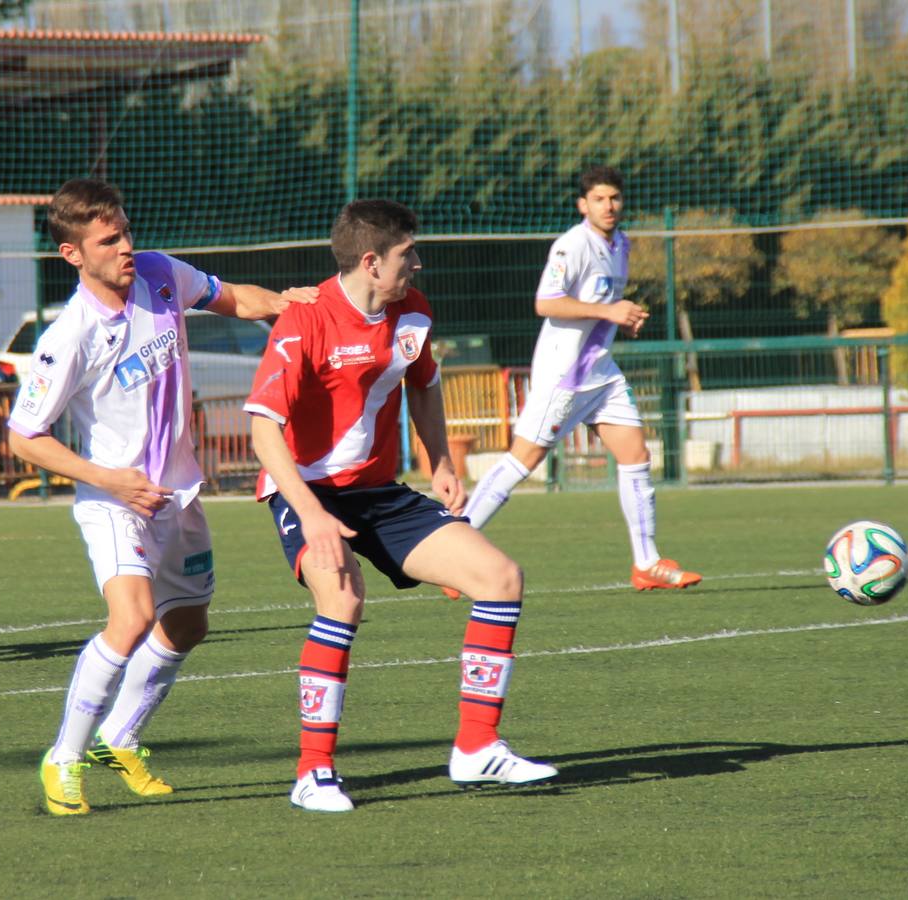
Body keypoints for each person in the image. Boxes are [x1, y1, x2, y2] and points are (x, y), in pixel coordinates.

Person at [8, 178, 316, 817]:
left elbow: (235, 299)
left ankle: (119, 736)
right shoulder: (69, 335)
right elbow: (24, 438)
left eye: (125, 230)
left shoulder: (160, 273)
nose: (127, 245)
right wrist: (108, 477)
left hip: (178, 494)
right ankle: (63, 758)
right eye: (109, 239)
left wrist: (293, 305)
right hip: (115, 500)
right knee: (132, 619)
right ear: (74, 255)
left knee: (188, 624)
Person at [246, 199, 557, 813]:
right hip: (305, 490)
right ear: (371, 262)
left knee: (500, 578)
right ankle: (313, 773)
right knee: (343, 598)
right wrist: (310, 513)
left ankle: (477, 747)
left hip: (380, 494)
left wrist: (439, 461)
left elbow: (425, 385)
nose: (417, 262)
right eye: (406, 254)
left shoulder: (411, 310)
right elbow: (262, 428)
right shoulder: (305, 320)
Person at [461, 165, 701, 592]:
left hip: (601, 372)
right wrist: (609, 311)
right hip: (564, 377)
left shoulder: (622, 243)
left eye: (614, 198)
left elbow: (600, 303)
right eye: (599, 199)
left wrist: (620, 318)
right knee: (523, 462)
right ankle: (454, 550)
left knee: (636, 455)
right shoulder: (572, 246)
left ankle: (646, 563)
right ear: (583, 205)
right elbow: (545, 302)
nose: (609, 206)